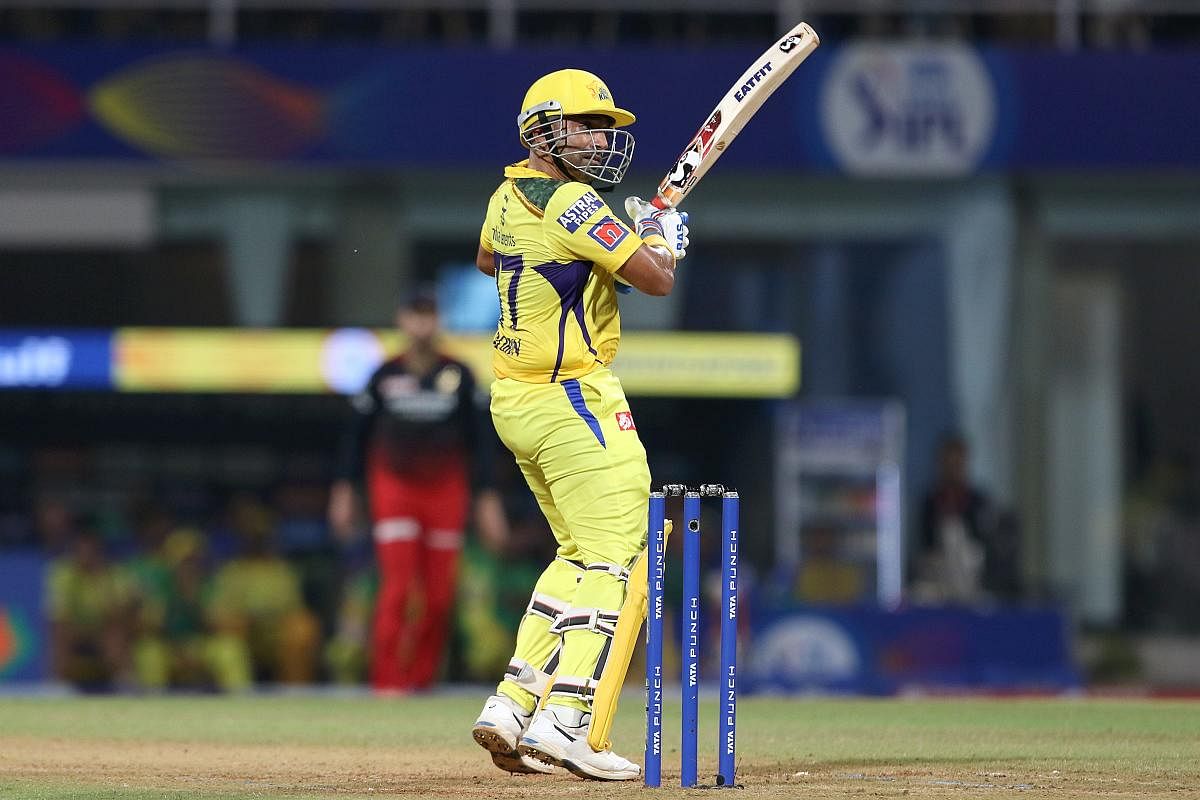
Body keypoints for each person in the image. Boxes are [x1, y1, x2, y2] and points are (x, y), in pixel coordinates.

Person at [469, 68, 688, 780]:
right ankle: (567, 722)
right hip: (573, 402)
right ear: (545, 131)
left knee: (575, 554)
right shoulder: (571, 202)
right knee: (618, 563)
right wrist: (657, 240)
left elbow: (488, 259)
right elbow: (655, 280)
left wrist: (604, 254)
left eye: (604, 127)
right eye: (587, 126)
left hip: (514, 403)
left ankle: (512, 702)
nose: (601, 140)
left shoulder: (507, 195)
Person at [328, 285, 508, 693]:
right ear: (402, 321)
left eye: (429, 315)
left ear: (438, 321)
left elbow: (481, 444)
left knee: (440, 595)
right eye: (415, 314)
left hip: (446, 493)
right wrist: (343, 492)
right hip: (394, 490)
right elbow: (355, 439)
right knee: (398, 586)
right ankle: (388, 683)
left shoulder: (459, 376)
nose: (422, 324)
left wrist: (488, 500)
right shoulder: (383, 375)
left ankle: (421, 682)